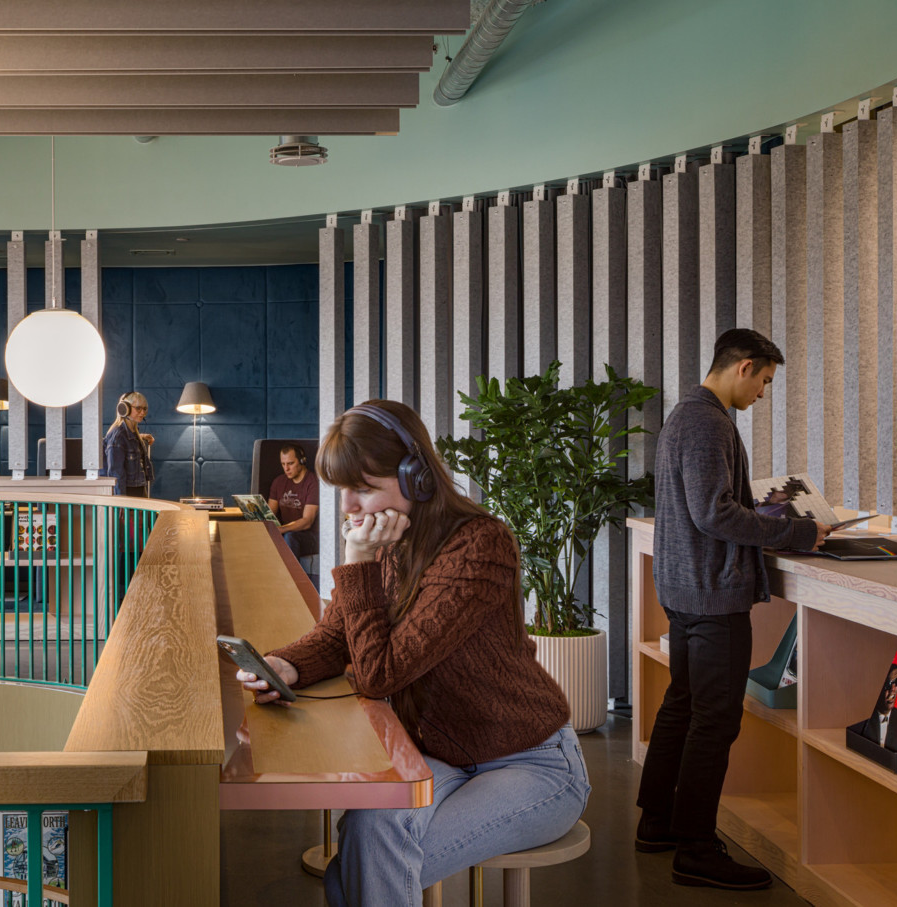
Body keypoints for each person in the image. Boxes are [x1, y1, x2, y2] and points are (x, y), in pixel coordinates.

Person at [237, 400, 588, 906]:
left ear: (415, 476)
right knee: (368, 832)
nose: (350, 507)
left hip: (532, 764)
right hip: (439, 754)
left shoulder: (480, 546)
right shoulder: (389, 542)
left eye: (362, 488)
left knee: (355, 875)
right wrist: (284, 664)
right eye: (343, 491)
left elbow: (382, 674)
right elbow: (339, 635)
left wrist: (355, 564)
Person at [634, 329, 829, 890]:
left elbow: (710, 508)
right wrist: (794, 530)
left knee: (684, 704)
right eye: (765, 381)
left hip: (684, 588)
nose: (763, 395)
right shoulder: (706, 421)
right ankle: (695, 847)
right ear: (744, 367)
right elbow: (713, 515)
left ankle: (659, 822)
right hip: (710, 592)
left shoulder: (689, 416)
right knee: (714, 721)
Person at [268, 443, 318, 556]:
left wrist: (282, 529)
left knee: (290, 536)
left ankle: (290, 574)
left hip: (309, 536)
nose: (286, 469)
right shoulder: (279, 482)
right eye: (283, 464)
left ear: (302, 461)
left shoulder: (313, 483)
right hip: (286, 532)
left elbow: (307, 521)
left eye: (290, 463)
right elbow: (270, 514)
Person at [102, 391, 155, 498]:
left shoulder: (132, 433)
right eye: (138, 408)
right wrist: (121, 499)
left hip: (138, 489)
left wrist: (141, 437)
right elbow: (115, 473)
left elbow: (128, 443)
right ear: (124, 408)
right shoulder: (118, 436)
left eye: (144, 409)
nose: (142, 413)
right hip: (127, 492)